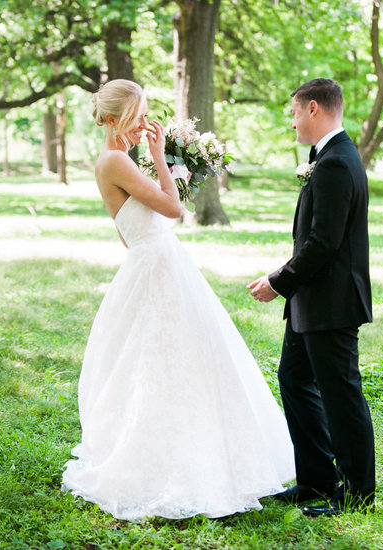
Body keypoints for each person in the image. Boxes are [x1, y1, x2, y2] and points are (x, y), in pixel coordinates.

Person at [62, 79, 294, 522]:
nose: (142, 125)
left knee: (181, 358)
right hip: (158, 267)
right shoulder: (116, 160)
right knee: (162, 361)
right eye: (134, 117)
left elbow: (126, 232)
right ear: (111, 120)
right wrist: (157, 159)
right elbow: (174, 209)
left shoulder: (113, 161)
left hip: (155, 264)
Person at [248, 78, 375, 517]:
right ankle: (317, 481)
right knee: (294, 379)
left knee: (342, 397)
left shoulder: (337, 162)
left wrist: (278, 281)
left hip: (332, 303)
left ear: (314, 108)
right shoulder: (328, 157)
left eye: (295, 112)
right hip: (311, 302)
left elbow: (324, 242)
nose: (293, 121)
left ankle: (358, 494)